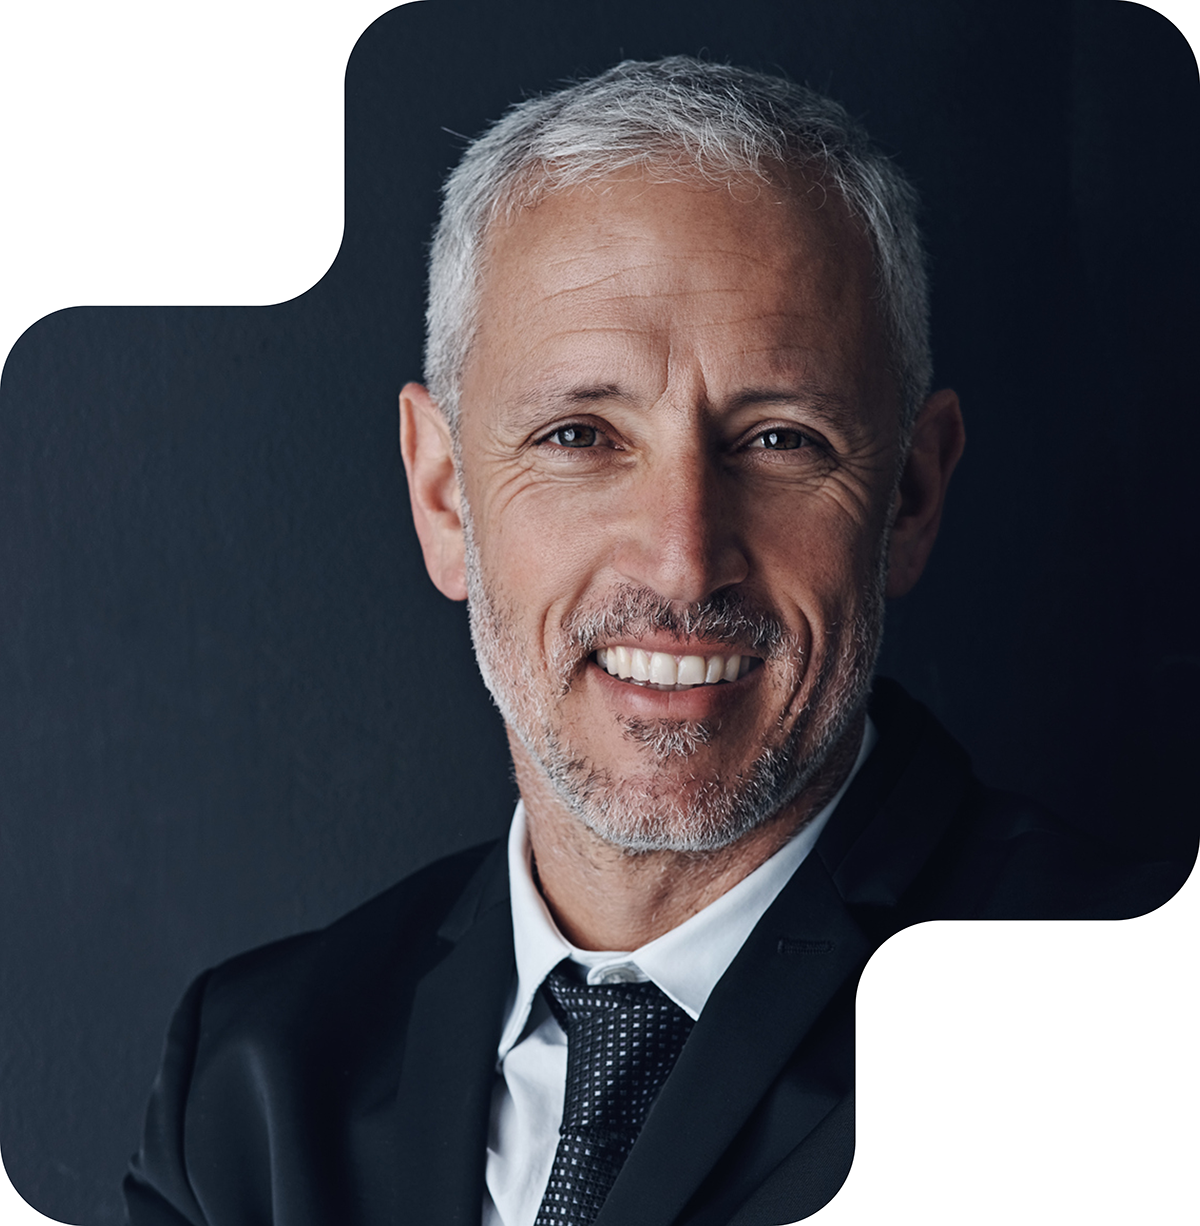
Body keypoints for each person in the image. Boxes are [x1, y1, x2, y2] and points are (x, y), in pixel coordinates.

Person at [123, 57, 1181, 1226]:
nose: (682, 558)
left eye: (780, 439)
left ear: (913, 495)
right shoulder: (253, 1083)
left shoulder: (1135, 1023)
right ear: (443, 494)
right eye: (580, 433)